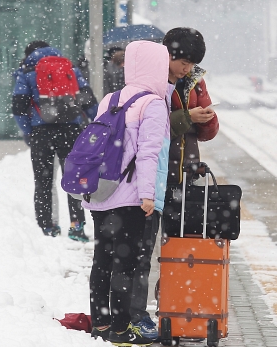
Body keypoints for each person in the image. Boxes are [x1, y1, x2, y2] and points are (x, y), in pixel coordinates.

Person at [128, 27, 219, 340]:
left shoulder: (191, 81)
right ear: (167, 54)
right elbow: (155, 127)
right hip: (156, 178)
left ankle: (173, 310)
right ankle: (139, 315)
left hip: (184, 175)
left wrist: (200, 109)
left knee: (180, 250)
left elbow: (209, 130)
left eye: (193, 63)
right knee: (143, 250)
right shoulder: (150, 82)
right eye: (184, 61)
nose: (188, 68)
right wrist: (187, 118)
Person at [85, 40, 172, 346]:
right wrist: (148, 195)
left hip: (102, 193)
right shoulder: (154, 104)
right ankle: (121, 330)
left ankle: (101, 325)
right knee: (126, 263)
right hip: (131, 197)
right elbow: (149, 154)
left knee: (102, 260)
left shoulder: (110, 98)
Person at [12, 40, 98, 242]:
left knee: (43, 180)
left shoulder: (26, 73)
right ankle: (77, 226)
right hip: (71, 129)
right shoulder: (69, 67)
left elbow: (19, 107)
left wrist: (28, 132)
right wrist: (93, 120)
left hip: (41, 132)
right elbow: (88, 100)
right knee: (74, 178)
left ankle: (48, 226)